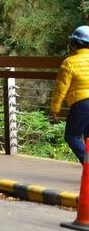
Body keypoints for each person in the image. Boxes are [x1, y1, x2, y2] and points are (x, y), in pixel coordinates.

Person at [51, 26, 89, 162]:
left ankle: (88, 166)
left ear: (75, 43)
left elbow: (61, 88)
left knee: (72, 136)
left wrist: (55, 108)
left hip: (82, 104)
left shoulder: (69, 62)